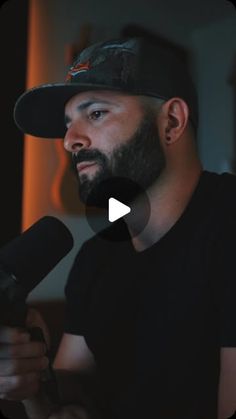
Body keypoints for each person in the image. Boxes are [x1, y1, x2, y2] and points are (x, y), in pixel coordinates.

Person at [1, 37, 236, 419]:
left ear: (172, 122)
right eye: (68, 124)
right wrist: (35, 378)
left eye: (94, 114)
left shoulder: (227, 228)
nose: (69, 140)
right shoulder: (96, 257)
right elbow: (72, 386)